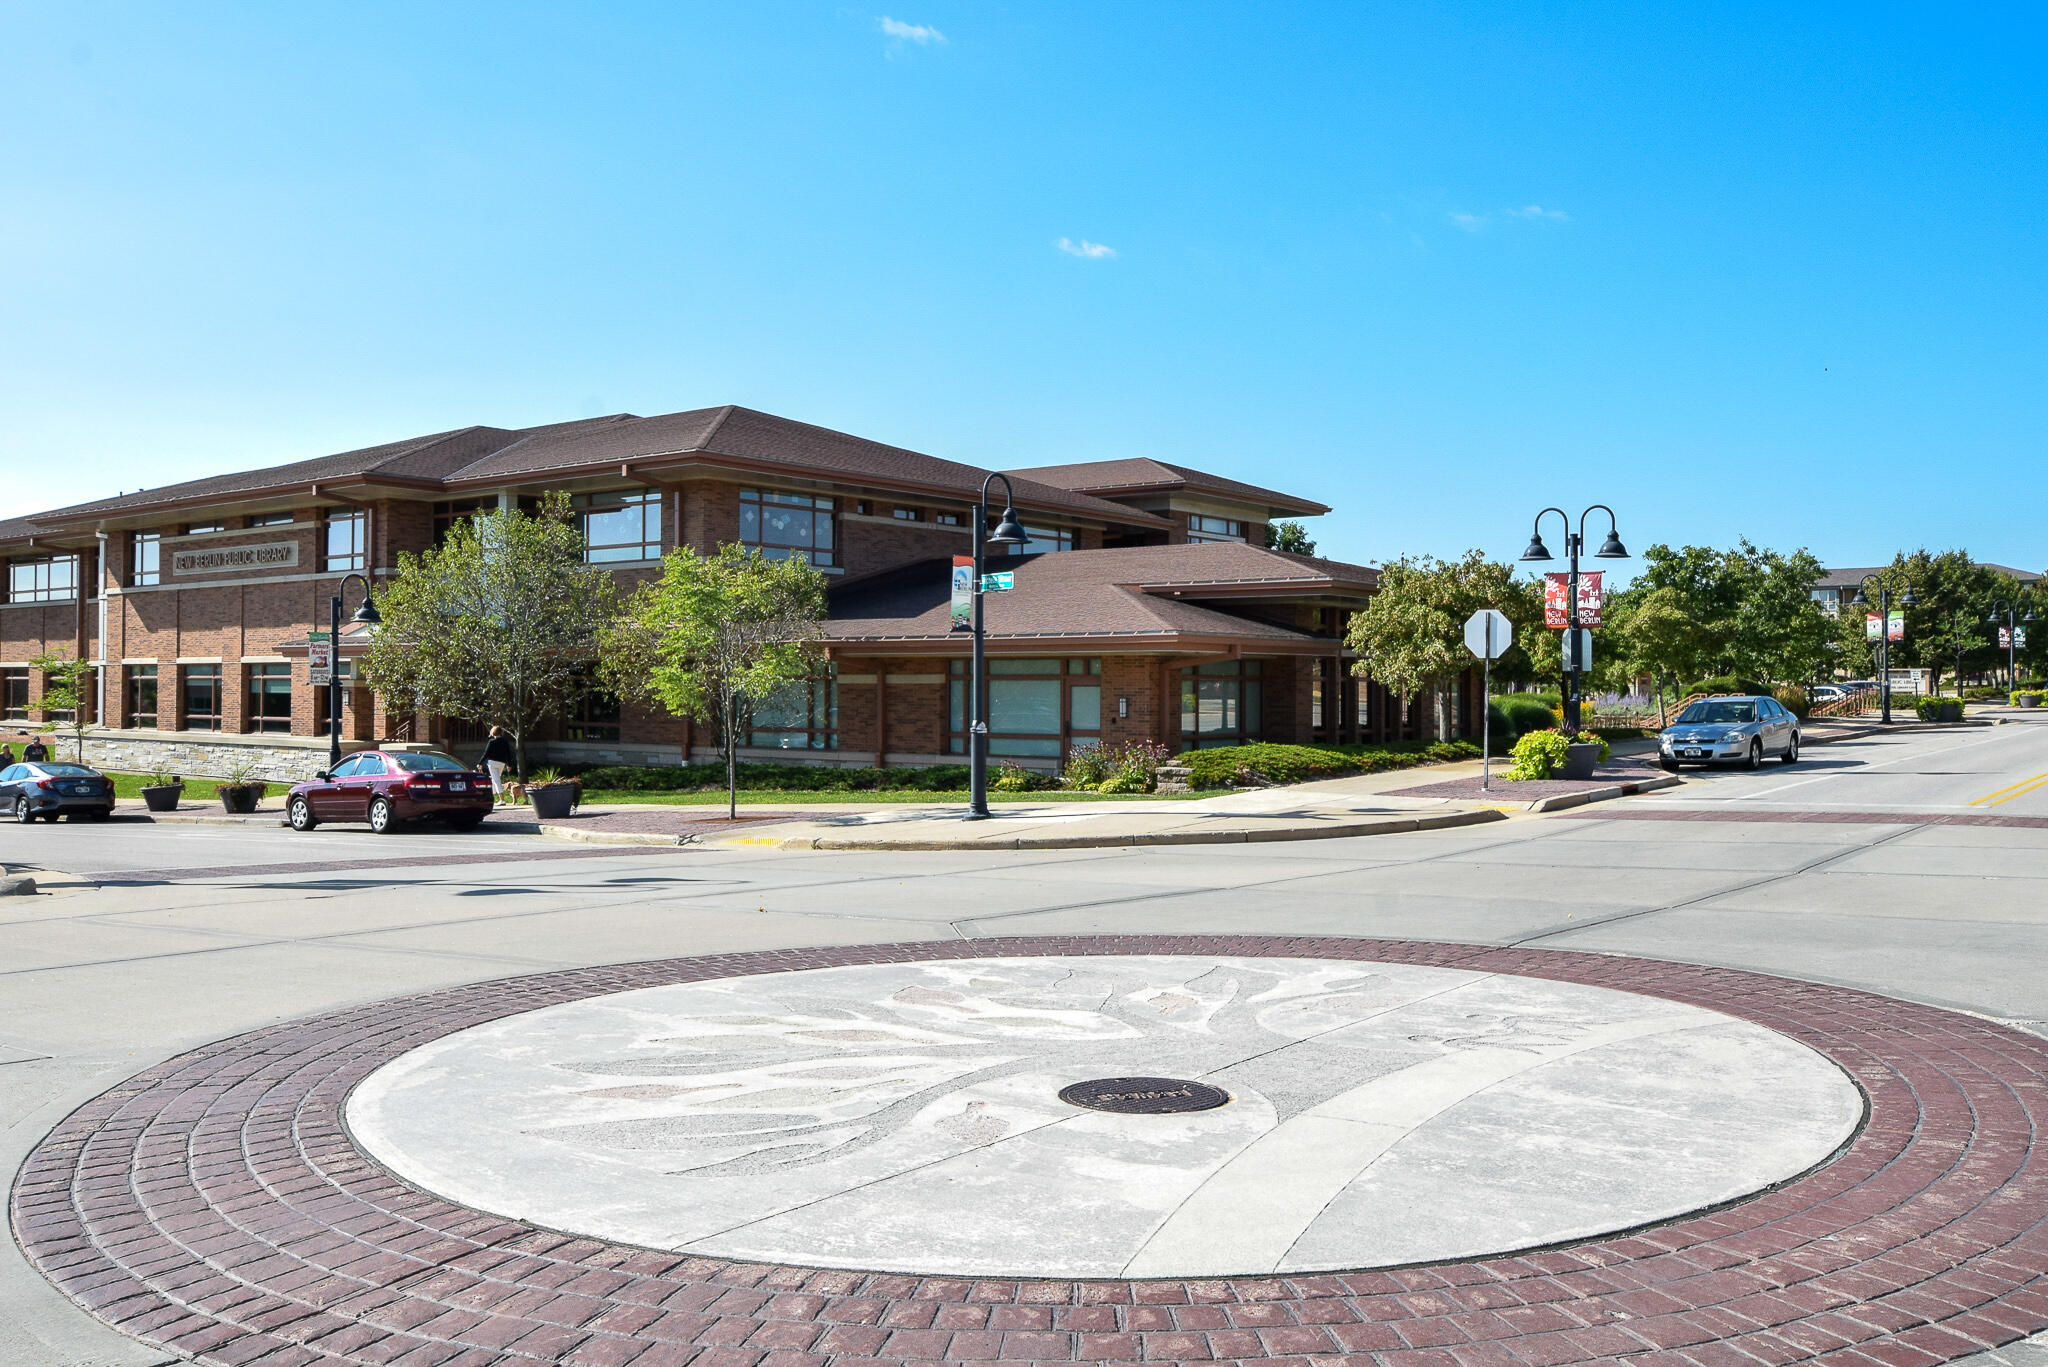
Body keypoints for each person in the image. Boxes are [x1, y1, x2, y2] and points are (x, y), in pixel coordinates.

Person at [481, 727, 514, 796]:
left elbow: (486, 754)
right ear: (501, 732)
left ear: (493, 733)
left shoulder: (491, 742)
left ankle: (502, 800)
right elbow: (508, 753)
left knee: (496, 780)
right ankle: (492, 796)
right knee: (494, 779)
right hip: (501, 763)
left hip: (492, 763)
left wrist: (480, 763)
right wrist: (509, 764)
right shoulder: (505, 741)